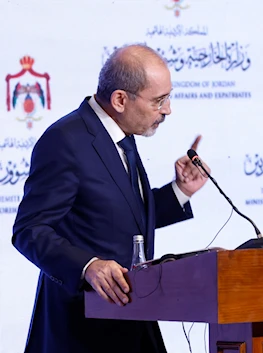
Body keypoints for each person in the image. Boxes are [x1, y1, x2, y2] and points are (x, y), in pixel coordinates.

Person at [12, 44, 210, 353]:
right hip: (81, 330)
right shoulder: (65, 140)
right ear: (120, 99)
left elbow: (121, 215)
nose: (167, 110)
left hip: (131, 321)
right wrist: (87, 266)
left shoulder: (121, 134)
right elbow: (29, 231)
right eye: (159, 100)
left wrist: (180, 191)